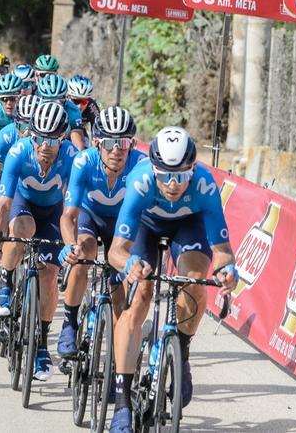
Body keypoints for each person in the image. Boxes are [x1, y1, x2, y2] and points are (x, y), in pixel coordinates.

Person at [106, 127, 238, 433]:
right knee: (139, 296)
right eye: (165, 175)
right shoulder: (139, 182)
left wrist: (227, 271)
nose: (174, 184)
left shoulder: (205, 185)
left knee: (193, 282)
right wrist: (131, 265)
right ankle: (123, 404)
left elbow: (222, 251)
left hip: (187, 227)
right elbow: (116, 251)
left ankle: (182, 348)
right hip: (147, 227)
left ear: (193, 168)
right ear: (154, 170)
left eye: (181, 174)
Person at [0, 101, 77, 382]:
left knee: (49, 273)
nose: (44, 145)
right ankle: (6, 280)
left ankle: (41, 344)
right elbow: (2, 206)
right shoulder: (18, 152)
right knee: (20, 231)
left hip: (54, 212)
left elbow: (76, 209)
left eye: (51, 139)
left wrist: (74, 245)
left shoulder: (73, 157)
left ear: (62, 137)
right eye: (39, 137)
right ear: (31, 135)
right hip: (22, 204)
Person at [57, 106, 144, 360]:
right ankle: (69, 325)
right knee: (84, 253)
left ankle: (117, 365)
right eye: (109, 142)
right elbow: (68, 215)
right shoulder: (84, 161)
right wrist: (68, 245)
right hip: (89, 217)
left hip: (121, 226)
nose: (116, 149)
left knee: (121, 297)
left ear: (132, 143)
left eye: (123, 142)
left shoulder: (141, 165)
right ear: (97, 143)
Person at [0, 94, 38, 302]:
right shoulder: (6, 135)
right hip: (9, 185)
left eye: (32, 126)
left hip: (36, 191)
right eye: (22, 126)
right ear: (16, 122)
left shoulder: (47, 143)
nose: (27, 132)